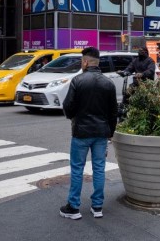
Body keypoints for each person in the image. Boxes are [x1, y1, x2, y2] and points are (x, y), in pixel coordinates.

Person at [60, 47, 118, 220]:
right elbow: (113, 112)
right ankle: (97, 206)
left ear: (85, 62)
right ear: (97, 62)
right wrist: (110, 132)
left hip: (81, 132)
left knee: (77, 169)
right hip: (101, 132)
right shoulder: (108, 83)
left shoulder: (77, 81)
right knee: (99, 168)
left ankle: (74, 207)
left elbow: (68, 107)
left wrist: (74, 116)